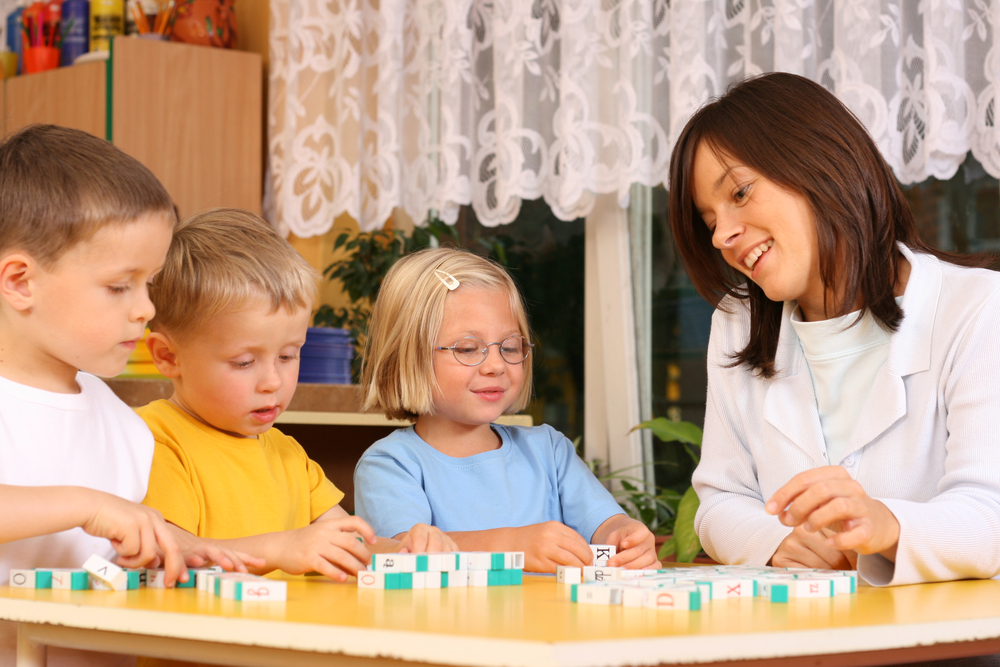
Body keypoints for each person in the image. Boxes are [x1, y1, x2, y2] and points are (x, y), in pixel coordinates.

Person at [668, 72, 1000, 586]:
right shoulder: (735, 327)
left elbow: (990, 514)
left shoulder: (976, 309)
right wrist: (775, 542)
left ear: (820, 163)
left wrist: (884, 527)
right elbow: (720, 503)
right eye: (709, 219)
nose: (723, 236)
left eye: (739, 192)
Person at [0, 125, 254, 667]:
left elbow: (110, 548)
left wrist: (177, 545)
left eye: (149, 284)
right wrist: (86, 506)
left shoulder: (123, 426)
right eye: (120, 286)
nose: (144, 309)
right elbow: (93, 513)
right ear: (21, 281)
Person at [140, 209, 456, 582]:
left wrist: (407, 548)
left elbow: (352, 546)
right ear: (167, 356)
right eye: (244, 362)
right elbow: (170, 553)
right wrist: (282, 548)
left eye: (289, 355)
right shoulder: (154, 439)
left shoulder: (288, 454)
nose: (273, 381)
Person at [353, 247, 659, 573]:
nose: (496, 365)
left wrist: (624, 537)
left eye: (510, 347)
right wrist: (513, 547)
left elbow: (606, 525)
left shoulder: (549, 451)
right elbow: (406, 556)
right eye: (468, 348)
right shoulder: (390, 465)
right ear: (408, 356)